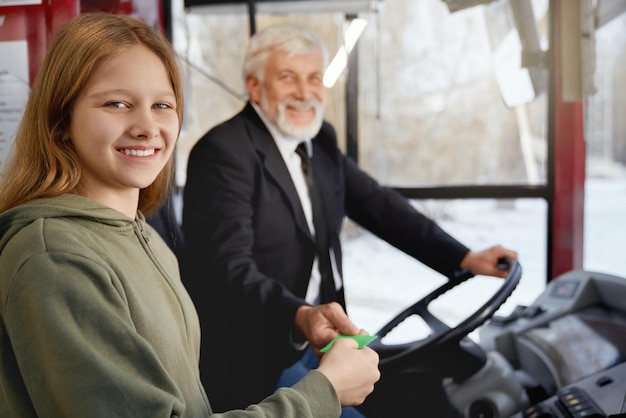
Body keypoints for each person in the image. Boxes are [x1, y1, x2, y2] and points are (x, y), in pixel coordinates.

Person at [0, 13, 379, 418]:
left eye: (162, 104)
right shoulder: (56, 259)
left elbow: (379, 205)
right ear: (61, 122)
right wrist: (324, 392)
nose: (147, 126)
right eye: (117, 103)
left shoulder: (142, 237)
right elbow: (231, 266)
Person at [182, 23, 518, 417]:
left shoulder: (318, 141)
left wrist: (463, 257)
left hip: (325, 340)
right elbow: (228, 268)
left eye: (313, 78)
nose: (305, 93)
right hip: (261, 355)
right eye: (287, 78)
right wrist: (300, 315)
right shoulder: (223, 152)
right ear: (254, 87)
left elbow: (378, 205)